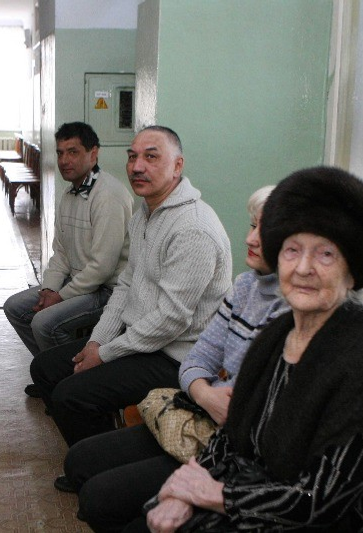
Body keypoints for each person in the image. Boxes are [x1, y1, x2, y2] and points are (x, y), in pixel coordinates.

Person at [140, 167, 363, 532]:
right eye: (291, 250)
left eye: (325, 254)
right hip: (256, 492)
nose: (303, 268)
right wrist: (186, 490)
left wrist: (217, 495)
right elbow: (232, 438)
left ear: (352, 270)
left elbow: (325, 499)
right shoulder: (276, 336)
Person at [61, 187, 288, 532]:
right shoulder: (246, 287)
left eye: (264, 230)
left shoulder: (300, 316)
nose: (249, 238)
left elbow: (255, 422)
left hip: (231, 444)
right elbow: (199, 358)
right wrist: (204, 394)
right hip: (205, 413)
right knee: (80, 462)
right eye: (252, 225)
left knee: (100, 498)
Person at [30, 126, 232, 465]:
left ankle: (99, 468)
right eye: (132, 156)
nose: (137, 167)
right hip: (140, 340)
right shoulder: (145, 215)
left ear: (177, 166)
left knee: (70, 395)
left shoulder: (193, 229)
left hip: (177, 355)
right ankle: (97, 453)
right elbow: (125, 286)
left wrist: (105, 354)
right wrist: (97, 342)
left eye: (151, 157)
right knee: (46, 368)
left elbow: (171, 320)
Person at [3, 122, 133, 396]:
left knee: (44, 323)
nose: (64, 160)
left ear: (93, 154)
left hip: (107, 290)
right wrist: (49, 288)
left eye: (73, 152)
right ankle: (53, 376)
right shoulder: (70, 193)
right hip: (79, 284)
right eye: (60, 153)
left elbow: (102, 268)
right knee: (15, 307)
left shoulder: (108, 196)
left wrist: (60, 297)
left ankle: (72, 386)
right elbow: (61, 252)